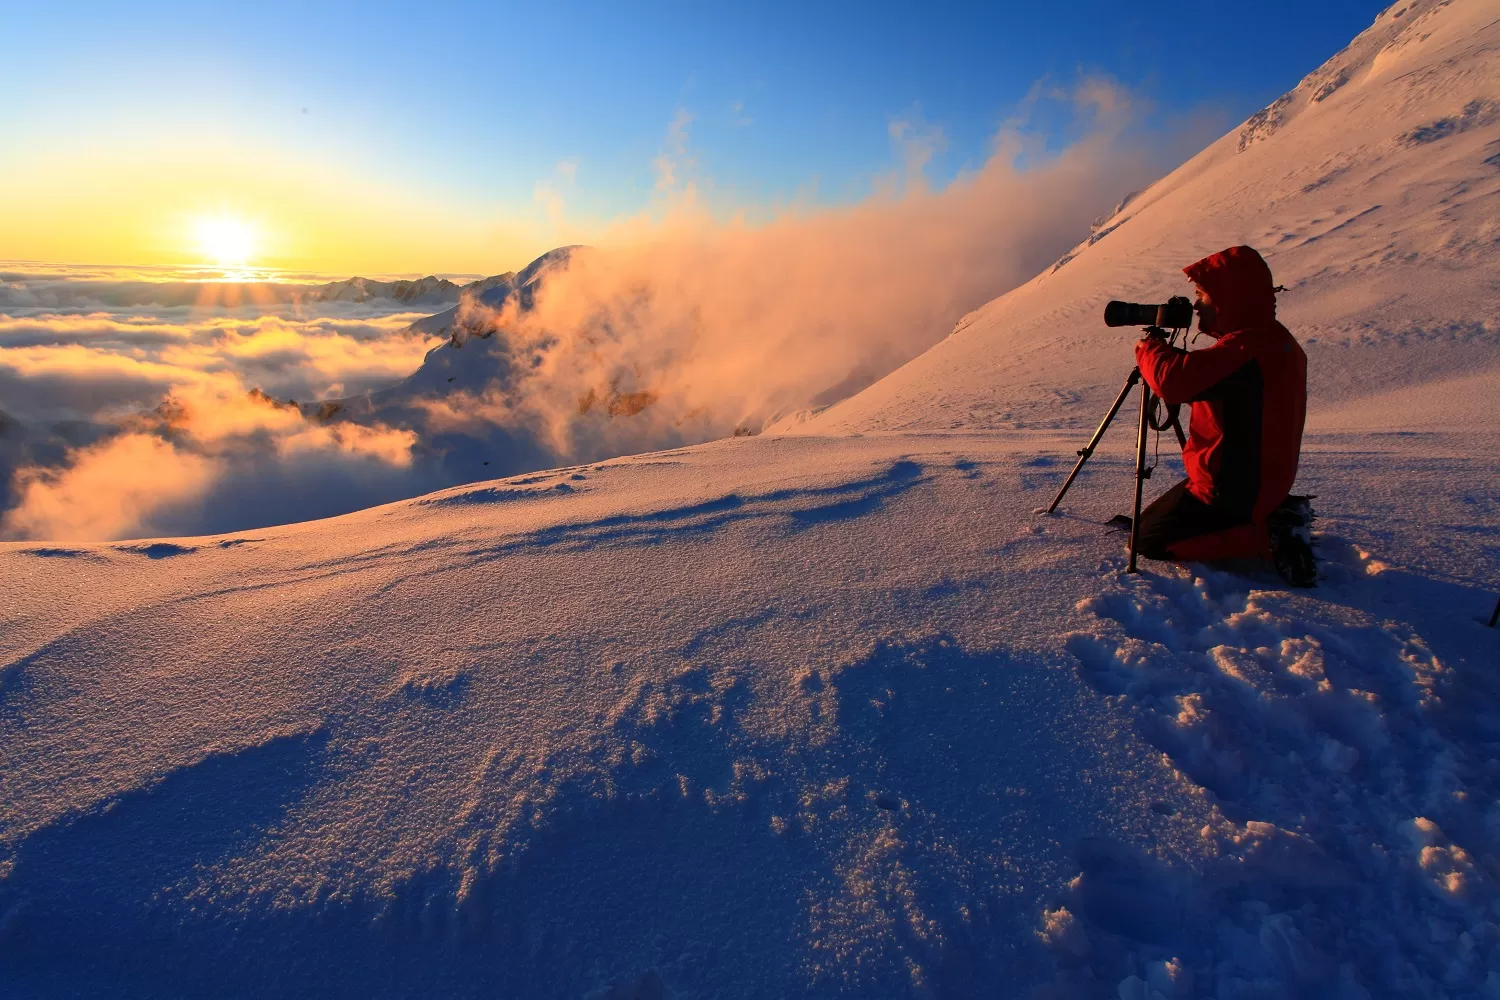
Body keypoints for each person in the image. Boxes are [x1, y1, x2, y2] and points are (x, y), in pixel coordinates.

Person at [1131, 245, 1316, 586]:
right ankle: (1272, 512)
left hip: (1231, 491)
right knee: (1149, 522)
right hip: (1260, 479)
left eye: (1202, 294)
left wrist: (1149, 349)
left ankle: (1268, 534)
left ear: (1230, 298)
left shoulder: (1246, 350)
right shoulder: (1272, 341)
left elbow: (1172, 382)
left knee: (1146, 540)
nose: (1197, 304)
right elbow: (1224, 386)